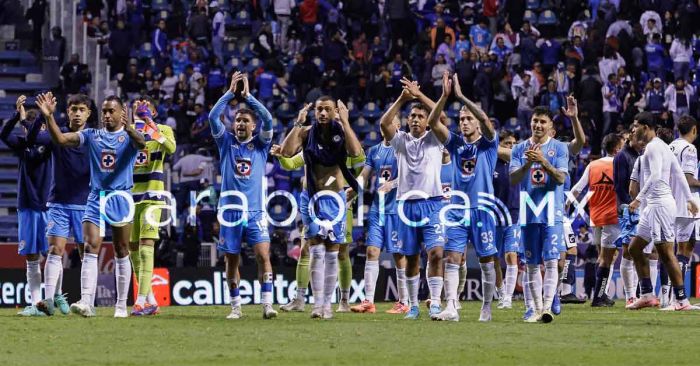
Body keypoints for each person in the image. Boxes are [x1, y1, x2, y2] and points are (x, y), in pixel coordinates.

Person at [37, 92, 146, 318]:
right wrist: (49, 117)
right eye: (104, 111)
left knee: (121, 250)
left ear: (121, 113)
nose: (106, 115)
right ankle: (86, 302)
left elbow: (142, 143)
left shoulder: (128, 136)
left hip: (120, 197)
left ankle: (121, 306)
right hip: (96, 197)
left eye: (111, 111)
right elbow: (61, 139)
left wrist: (130, 129)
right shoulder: (92, 135)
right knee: (90, 246)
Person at [279, 93, 363, 319]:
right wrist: (298, 122)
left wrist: (345, 122)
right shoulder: (307, 133)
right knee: (315, 248)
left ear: (335, 111)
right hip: (311, 197)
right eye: (319, 110)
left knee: (333, 251)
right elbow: (286, 153)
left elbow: (356, 153)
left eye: (327, 109)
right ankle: (318, 305)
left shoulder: (341, 132)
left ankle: (328, 305)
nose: (323, 113)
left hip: (334, 198)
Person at [378, 73, 448, 320]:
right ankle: (414, 305)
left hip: (432, 203)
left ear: (427, 121)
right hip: (406, 205)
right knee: (411, 258)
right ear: (407, 121)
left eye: (421, 116)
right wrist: (402, 98)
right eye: (413, 116)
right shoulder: (400, 141)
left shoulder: (435, 139)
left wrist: (419, 96)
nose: (416, 119)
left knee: (437, 253)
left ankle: (436, 301)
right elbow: (384, 124)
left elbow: (443, 117)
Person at [208, 72, 277, 319]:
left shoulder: (261, 145)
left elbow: (269, 120)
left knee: (262, 255)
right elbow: (212, 116)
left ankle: (267, 305)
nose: (240, 124)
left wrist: (248, 97)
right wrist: (230, 93)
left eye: (245, 120)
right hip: (230, 212)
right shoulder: (225, 142)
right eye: (237, 120)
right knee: (231, 261)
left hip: (256, 211)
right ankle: (235, 307)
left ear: (253, 125)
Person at [438, 74, 499, 322]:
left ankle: (486, 306)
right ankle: (451, 306)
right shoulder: (454, 144)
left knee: (486, 259)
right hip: (456, 208)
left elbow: (486, 119)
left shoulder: (488, 145)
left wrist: (461, 96)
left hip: (482, 208)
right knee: (451, 256)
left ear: (476, 123)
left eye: (468, 119)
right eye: (461, 118)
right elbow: (434, 123)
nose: (463, 122)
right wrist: (444, 97)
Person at [626, 116, 698, 311]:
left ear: (646, 127)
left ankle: (681, 300)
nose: (633, 129)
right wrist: (690, 199)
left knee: (666, 253)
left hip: (660, 205)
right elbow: (679, 174)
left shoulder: (653, 147)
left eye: (636, 126)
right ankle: (648, 295)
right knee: (634, 248)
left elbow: (657, 176)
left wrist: (638, 199)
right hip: (654, 207)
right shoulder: (662, 147)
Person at [510, 106, 569, 323]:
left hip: (551, 209)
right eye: (535, 121)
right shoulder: (519, 149)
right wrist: (527, 162)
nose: (538, 125)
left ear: (550, 126)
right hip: (528, 210)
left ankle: (546, 307)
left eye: (543, 122)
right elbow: (513, 180)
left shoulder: (559, 148)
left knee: (552, 261)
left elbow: (561, 179)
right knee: (532, 263)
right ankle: (534, 308)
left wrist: (543, 160)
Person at [35, 94, 91, 316]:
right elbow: (37, 140)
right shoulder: (54, 133)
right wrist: (44, 118)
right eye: (73, 109)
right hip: (58, 201)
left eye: (81, 109)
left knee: (86, 253)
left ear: (88, 113)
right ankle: (48, 300)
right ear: (67, 112)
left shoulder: (94, 138)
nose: (77, 113)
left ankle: (87, 300)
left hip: (85, 204)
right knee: (54, 250)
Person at [348, 109, 408, 315]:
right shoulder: (374, 151)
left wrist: (393, 184)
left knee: (399, 255)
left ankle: (403, 301)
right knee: (372, 251)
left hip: (397, 210)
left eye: (391, 123)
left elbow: (413, 176)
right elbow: (365, 176)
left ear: (398, 127)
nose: (387, 126)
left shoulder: (404, 149)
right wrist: (354, 189)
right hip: (377, 209)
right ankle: (368, 301)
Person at [1, 96, 53, 317]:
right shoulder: (23, 144)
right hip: (27, 206)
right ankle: (36, 303)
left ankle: (53, 296)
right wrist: (16, 114)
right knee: (31, 256)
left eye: (31, 128)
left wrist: (35, 116)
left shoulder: (50, 141)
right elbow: (3, 134)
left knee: (53, 253)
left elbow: (34, 136)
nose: (27, 132)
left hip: (47, 204)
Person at [128, 96, 176, 316]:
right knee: (132, 249)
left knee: (147, 248)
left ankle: (139, 301)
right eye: (137, 104)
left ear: (154, 112)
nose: (140, 106)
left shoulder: (163, 130)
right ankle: (151, 300)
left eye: (145, 105)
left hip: (152, 197)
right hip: (129, 197)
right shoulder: (126, 132)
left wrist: (151, 125)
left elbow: (172, 148)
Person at [569, 133, 623, 307]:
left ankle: (602, 294)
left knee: (603, 256)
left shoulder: (593, 165)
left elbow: (578, 188)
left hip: (596, 216)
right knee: (609, 256)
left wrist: (565, 204)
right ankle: (599, 296)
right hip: (612, 216)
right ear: (616, 148)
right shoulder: (619, 164)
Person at [667, 115, 700, 309]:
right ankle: (677, 298)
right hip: (685, 205)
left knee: (672, 251)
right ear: (694, 130)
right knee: (684, 250)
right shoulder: (689, 149)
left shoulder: (670, 146)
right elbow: (689, 180)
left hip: (670, 203)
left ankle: (673, 297)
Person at [492, 130, 521, 310]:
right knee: (494, 257)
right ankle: (501, 291)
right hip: (493, 214)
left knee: (511, 256)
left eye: (514, 143)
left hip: (513, 213)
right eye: (508, 143)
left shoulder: (516, 163)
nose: (512, 147)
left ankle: (508, 297)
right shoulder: (490, 162)